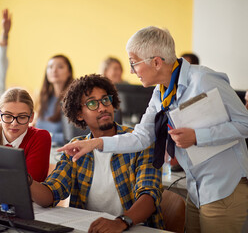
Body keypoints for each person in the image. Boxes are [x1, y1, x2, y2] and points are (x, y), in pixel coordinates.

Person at [59, 26, 248, 233]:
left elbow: (245, 123)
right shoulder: (161, 92)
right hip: (197, 189)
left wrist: (197, 137)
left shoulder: (203, 79)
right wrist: (95, 143)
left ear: (156, 62)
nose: (131, 70)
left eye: (133, 63)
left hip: (224, 188)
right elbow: (140, 137)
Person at [30, 74, 164, 232]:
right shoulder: (76, 149)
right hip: (91, 228)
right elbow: (51, 194)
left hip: (135, 228)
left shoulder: (139, 141)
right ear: (79, 114)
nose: (102, 107)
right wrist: (26, 181)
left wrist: (120, 222)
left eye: (105, 100)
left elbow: (149, 195)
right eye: (92, 103)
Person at [0, 87, 51, 182]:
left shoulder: (40, 137)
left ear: (31, 117)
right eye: (7, 116)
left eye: (22, 117)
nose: (14, 123)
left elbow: (31, 182)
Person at [34, 54, 74, 146]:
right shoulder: (43, 98)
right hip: (41, 147)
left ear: (69, 72)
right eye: (50, 67)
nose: (54, 70)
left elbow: (72, 137)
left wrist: (48, 136)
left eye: (60, 67)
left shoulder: (73, 100)